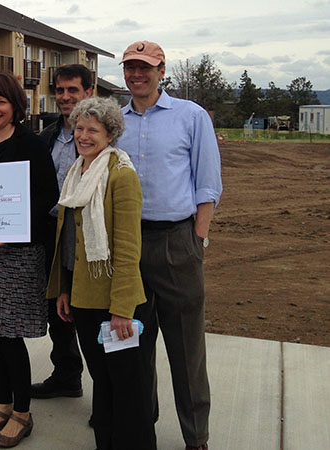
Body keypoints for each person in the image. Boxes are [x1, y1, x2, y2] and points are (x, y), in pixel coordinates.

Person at [119, 41, 222, 450]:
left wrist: (198, 236)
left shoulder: (190, 117)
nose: (136, 75)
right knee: (133, 347)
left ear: (162, 71)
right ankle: (142, 427)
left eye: (145, 67)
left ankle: (196, 437)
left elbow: (208, 181)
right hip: (127, 246)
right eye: (130, 67)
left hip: (178, 242)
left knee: (186, 350)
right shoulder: (115, 121)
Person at [49, 96, 156, 449]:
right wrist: (64, 290)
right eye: (79, 128)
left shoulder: (120, 175)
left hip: (116, 304)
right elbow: (68, 241)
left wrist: (122, 310)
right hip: (83, 297)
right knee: (103, 384)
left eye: (92, 129)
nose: (83, 135)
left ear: (110, 135)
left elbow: (128, 249)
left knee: (128, 389)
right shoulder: (74, 173)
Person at [0, 72, 59, 448]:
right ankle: (1, 403)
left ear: (15, 106)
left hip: (18, 254)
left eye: (0, 102)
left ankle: (22, 411)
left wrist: (11, 226)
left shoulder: (31, 144)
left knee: (9, 336)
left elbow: (47, 197)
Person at [30, 63, 93, 400]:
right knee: (59, 309)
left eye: (73, 90)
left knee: (91, 314)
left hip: (89, 237)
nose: (65, 97)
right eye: (60, 90)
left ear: (88, 92)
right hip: (51, 236)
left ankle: (110, 393)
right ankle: (67, 374)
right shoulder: (48, 137)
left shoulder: (101, 138)